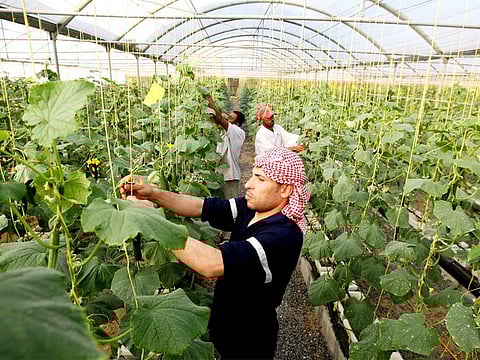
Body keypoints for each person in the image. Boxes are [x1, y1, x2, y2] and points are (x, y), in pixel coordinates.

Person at [120, 147, 309, 359]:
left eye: (260, 179)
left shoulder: (283, 235)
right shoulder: (252, 208)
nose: (248, 183)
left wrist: (152, 221)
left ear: (285, 190)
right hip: (226, 325)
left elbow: (212, 263)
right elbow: (201, 207)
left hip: (250, 340)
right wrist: (153, 193)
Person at [207, 95, 246, 199]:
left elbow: (219, 118)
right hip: (220, 176)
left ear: (237, 123)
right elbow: (217, 118)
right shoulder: (224, 133)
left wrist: (208, 97)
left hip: (230, 177)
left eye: (230, 118)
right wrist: (212, 106)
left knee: (231, 207)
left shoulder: (237, 132)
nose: (227, 119)